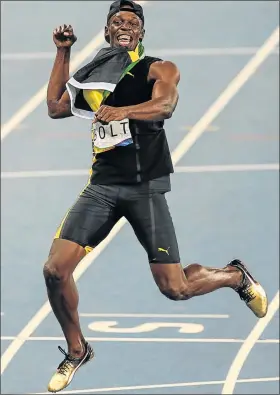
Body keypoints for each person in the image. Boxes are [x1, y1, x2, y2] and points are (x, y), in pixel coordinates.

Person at [44, 0, 268, 392]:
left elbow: (165, 105)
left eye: (132, 21)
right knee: (54, 270)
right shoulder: (95, 72)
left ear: (141, 33)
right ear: (108, 31)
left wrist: (124, 112)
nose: (125, 25)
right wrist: (62, 53)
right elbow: (56, 107)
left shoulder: (159, 68)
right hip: (102, 187)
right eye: (117, 21)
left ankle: (234, 276)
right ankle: (77, 351)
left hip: (145, 189)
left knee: (175, 288)